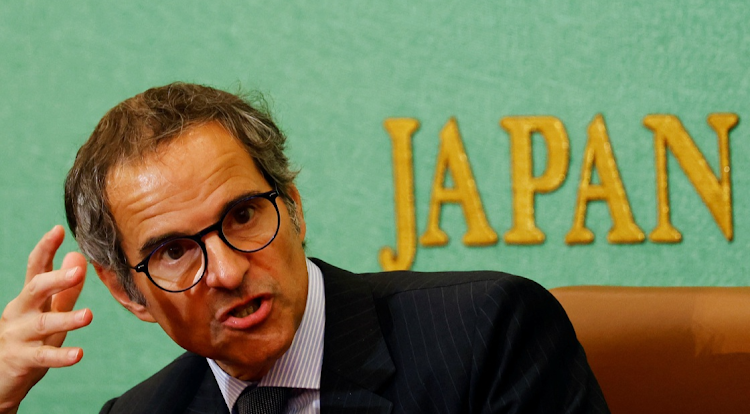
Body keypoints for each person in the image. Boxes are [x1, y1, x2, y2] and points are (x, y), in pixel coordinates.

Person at [0, 83, 609, 414]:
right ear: (127, 290)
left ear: (292, 206)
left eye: (242, 216)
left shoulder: (484, 332)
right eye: (176, 251)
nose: (231, 270)